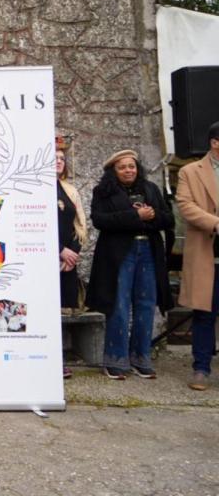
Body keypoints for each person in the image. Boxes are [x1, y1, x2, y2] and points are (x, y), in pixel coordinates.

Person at [87, 149, 173, 380]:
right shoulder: (103, 192)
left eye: (132, 166)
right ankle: (115, 360)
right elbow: (100, 220)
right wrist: (135, 217)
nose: (128, 170)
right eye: (122, 167)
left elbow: (168, 219)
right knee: (119, 304)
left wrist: (152, 215)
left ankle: (140, 357)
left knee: (146, 303)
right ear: (114, 171)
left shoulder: (151, 190)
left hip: (148, 250)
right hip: (118, 254)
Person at [175, 121, 219, 391]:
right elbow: (185, 205)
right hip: (207, 252)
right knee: (204, 313)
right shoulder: (190, 171)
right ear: (215, 142)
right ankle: (201, 368)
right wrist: (215, 222)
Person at [56, 137, 87, 379]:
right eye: (53, 157)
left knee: (60, 310)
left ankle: (60, 359)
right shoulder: (36, 189)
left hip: (67, 261)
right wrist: (58, 250)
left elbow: (79, 224)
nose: (58, 161)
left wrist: (72, 253)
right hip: (46, 257)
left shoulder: (70, 190)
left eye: (62, 158)